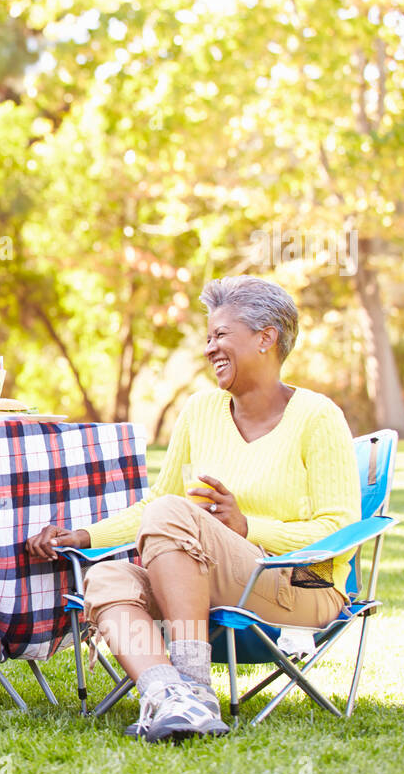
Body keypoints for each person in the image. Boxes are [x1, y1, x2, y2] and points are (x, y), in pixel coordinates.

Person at [27, 276, 359, 742]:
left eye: (221, 335)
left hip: (300, 586)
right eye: (207, 338)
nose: (209, 349)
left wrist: (247, 527)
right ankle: (169, 695)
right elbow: (154, 504)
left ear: (267, 338)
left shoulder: (317, 417)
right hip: (206, 582)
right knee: (106, 578)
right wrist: (84, 537)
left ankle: (194, 685)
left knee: (172, 512)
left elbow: (340, 528)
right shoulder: (201, 410)